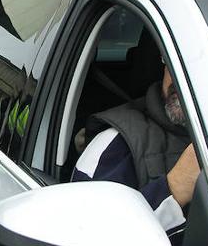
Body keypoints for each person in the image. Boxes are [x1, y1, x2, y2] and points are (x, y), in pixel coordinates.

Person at [72, 63, 198, 231]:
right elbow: (88, 238)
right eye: (179, 63)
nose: (186, 80)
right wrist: (174, 189)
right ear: (164, 60)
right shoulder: (115, 145)